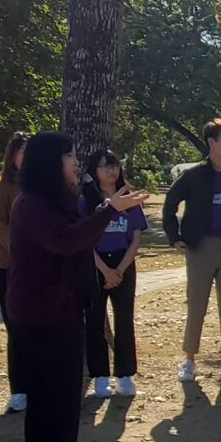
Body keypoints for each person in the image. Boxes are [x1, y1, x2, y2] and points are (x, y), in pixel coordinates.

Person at [6, 133, 138, 442]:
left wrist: (105, 211)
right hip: (40, 312)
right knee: (48, 399)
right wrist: (110, 210)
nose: (76, 163)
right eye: (70, 156)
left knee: (65, 396)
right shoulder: (31, 204)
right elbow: (65, 241)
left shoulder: (56, 199)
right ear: (50, 162)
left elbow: (79, 235)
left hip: (63, 308)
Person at [162, 118, 221, 381]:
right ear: (211, 142)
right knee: (196, 304)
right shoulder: (192, 175)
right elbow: (170, 203)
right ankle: (189, 359)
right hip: (200, 248)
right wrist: (174, 236)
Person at [84, 149, 148, 400]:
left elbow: (136, 237)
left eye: (114, 165)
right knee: (95, 320)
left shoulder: (129, 198)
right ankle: (100, 376)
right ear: (94, 171)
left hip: (123, 262)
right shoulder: (87, 201)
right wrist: (105, 270)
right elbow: (84, 240)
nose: (111, 171)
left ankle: (125, 375)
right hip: (96, 264)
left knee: (124, 320)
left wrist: (119, 269)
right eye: (104, 166)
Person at [0, 131, 27, 318]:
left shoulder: (38, 186)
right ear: (13, 154)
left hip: (39, 266)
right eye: (25, 152)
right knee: (16, 322)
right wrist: (26, 254)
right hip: (8, 264)